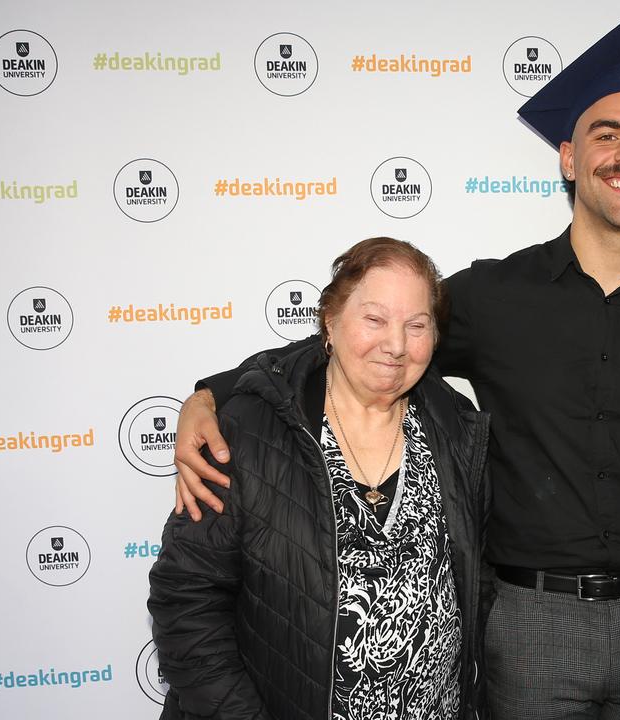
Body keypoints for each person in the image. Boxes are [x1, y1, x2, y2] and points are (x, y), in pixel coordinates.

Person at [170, 20, 620, 720]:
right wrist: (218, 391)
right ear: (568, 158)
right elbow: (372, 344)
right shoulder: (492, 297)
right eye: (607, 134)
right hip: (533, 629)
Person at [148, 238, 491, 719]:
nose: (395, 345)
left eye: (417, 325)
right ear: (330, 322)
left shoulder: (456, 430)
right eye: (374, 320)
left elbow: (479, 588)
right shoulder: (246, 433)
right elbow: (186, 600)